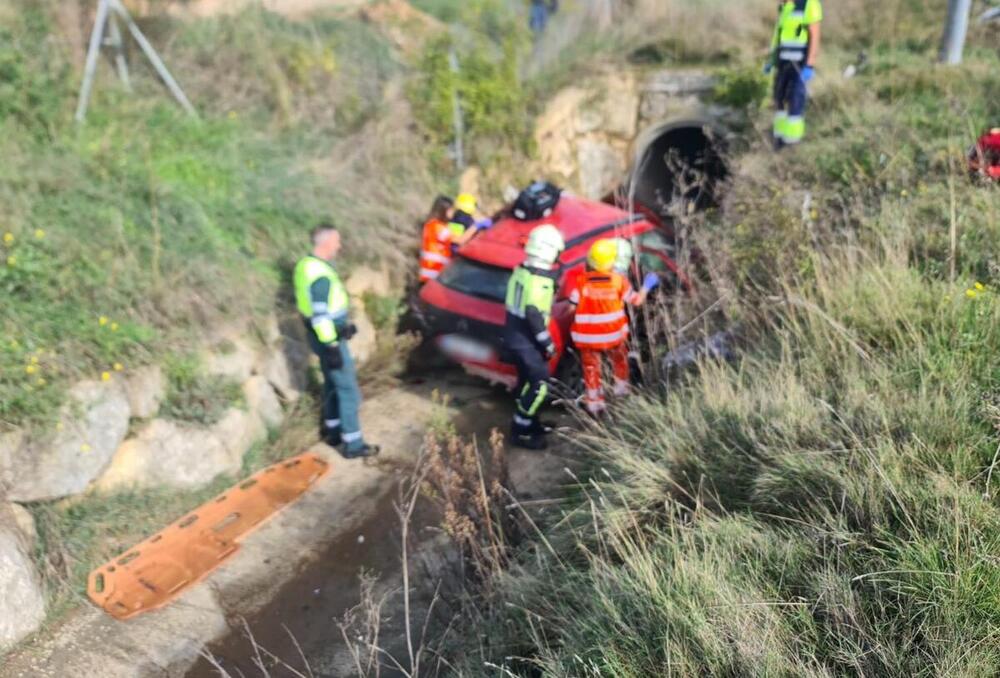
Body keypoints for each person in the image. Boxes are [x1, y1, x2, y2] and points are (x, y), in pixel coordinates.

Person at [294, 224, 379, 458]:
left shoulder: (306, 265)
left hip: (319, 334)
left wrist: (341, 328)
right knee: (349, 390)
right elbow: (321, 315)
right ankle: (353, 444)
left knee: (332, 383)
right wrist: (332, 344)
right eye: (337, 241)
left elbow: (313, 310)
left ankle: (333, 431)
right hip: (327, 338)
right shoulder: (320, 275)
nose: (340, 246)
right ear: (326, 243)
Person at [569, 239, 659, 415]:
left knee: (591, 369)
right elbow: (637, 301)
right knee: (620, 361)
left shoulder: (580, 282)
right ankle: (621, 393)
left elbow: (571, 308)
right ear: (612, 262)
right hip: (613, 336)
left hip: (587, 339)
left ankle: (594, 406)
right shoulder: (618, 281)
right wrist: (647, 286)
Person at [504, 224, 565, 450]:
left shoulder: (522, 270)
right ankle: (520, 431)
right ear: (549, 250)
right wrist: (547, 343)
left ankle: (531, 422)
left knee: (526, 383)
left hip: (515, 336)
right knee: (540, 384)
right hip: (526, 340)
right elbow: (533, 313)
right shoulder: (539, 281)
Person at [764, 0, 823, 149]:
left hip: (800, 64)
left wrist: (810, 64)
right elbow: (779, 36)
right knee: (778, 98)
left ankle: (793, 142)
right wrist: (771, 61)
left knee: (795, 99)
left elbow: (814, 36)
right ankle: (779, 139)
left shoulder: (809, 4)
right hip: (783, 62)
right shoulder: (785, 7)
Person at [419, 195, 455, 283]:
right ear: (443, 210)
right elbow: (460, 240)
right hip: (435, 273)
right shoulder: (440, 228)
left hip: (426, 273)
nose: (453, 213)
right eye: (450, 210)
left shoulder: (430, 224)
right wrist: (476, 227)